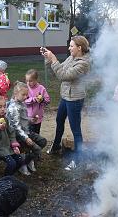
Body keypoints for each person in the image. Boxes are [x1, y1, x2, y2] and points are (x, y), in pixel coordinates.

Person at [41, 35, 90, 171]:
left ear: (79, 48)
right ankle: (56, 145)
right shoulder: (71, 58)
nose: (69, 48)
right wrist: (49, 58)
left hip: (74, 99)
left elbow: (64, 76)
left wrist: (54, 59)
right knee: (59, 120)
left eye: (71, 46)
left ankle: (78, 159)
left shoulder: (83, 63)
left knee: (75, 129)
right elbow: (60, 69)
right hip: (65, 96)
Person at [6, 81, 47, 175]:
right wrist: (26, 138)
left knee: (43, 141)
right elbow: (16, 126)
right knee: (37, 149)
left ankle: (28, 160)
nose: (26, 97)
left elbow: (23, 120)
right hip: (17, 135)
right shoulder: (13, 108)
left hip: (26, 132)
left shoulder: (21, 103)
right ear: (16, 94)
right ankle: (23, 164)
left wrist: (30, 120)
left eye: (27, 95)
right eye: (23, 95)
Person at [0, 96, 24, 176]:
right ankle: (5, 180)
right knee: (12, 163)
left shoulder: (4, 118)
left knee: (20, 160)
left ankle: (10, 176)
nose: (3, 109)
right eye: (0, 107)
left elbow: (11, 131)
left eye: (4, 106)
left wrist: (14, 144)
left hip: (6, 146)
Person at [25, 69, 50, 134]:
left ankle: (37, 143)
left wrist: (42, 100)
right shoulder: (26, 88)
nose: (28, 83)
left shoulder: (41, 88)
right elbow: (24, 101)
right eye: (27, 81)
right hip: (28, 116)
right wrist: (33, 99)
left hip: (38, 115)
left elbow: (47, 100)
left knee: (37, 132)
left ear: (36, 80)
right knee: (29, 133)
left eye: (30, 81)